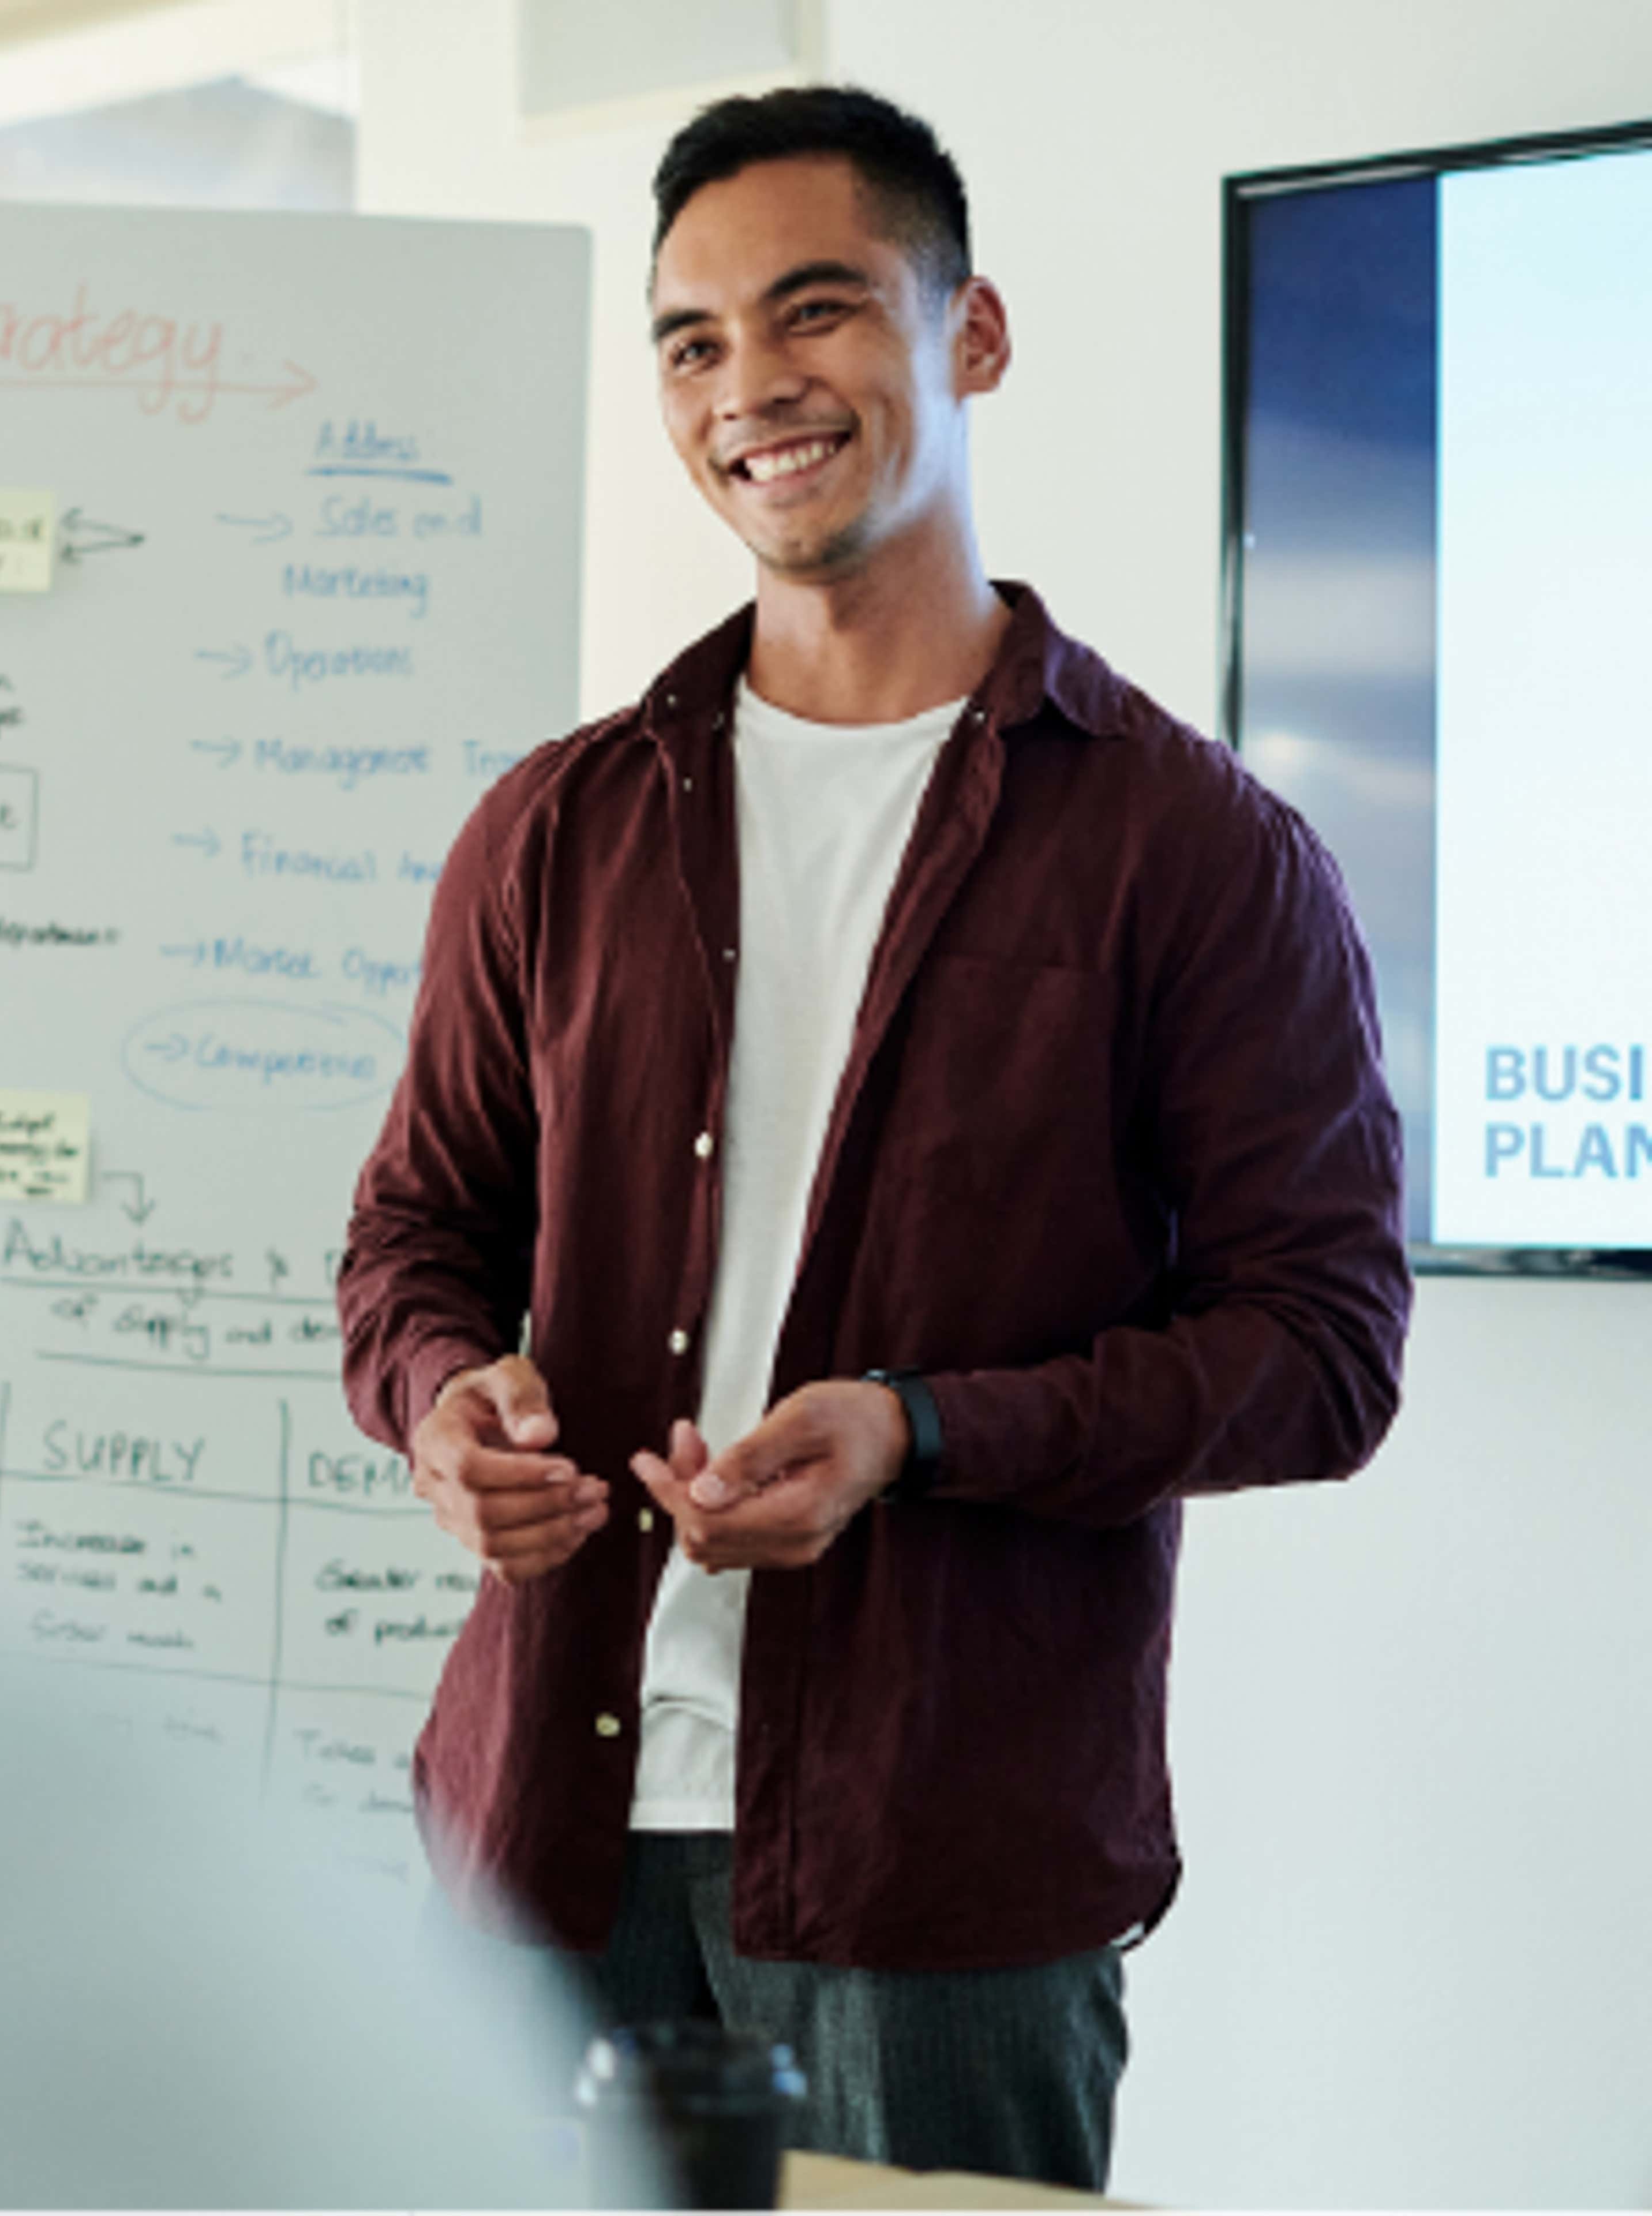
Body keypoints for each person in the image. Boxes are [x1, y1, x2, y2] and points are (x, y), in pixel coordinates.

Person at [338, 83, 1410, 2192]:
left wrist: (920, 1433)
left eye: (816, 314)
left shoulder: (1195, 850)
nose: (754, 388)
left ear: (973, 335)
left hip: (946, 1876)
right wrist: (439, 1399)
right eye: (695, 341)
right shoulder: (552, 829)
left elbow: (1326, 1348)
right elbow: (411, 1238)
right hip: (537, 1847)